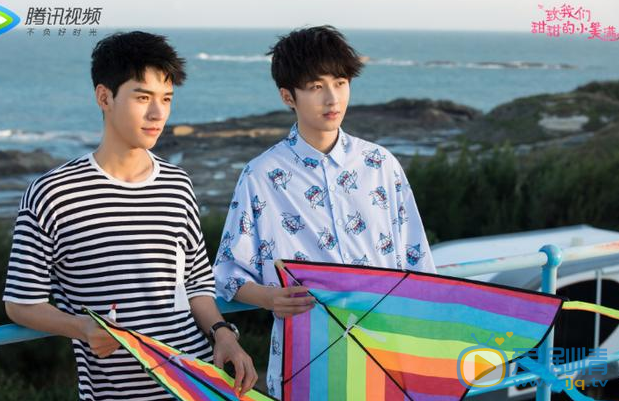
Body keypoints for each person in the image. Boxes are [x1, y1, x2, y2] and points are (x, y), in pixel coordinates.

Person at [2, 31, 257, 401]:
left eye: (166, 98)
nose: (158, 113)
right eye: (142, 97)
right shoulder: (53, 193)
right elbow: (21, 303)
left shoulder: (177, 183)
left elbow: (196, 283)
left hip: (197, 384)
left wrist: (223, 334)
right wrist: (81, 327)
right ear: (104, 97)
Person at [213, 25, 436, 398]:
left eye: (341, 82)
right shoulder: (261, 176)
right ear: (288, 96)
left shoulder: (381, 164)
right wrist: (270, 299)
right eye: (316, 86)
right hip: (307, 363)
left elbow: (418, 263)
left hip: (388, 357)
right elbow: (227, 274)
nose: (332, 98)